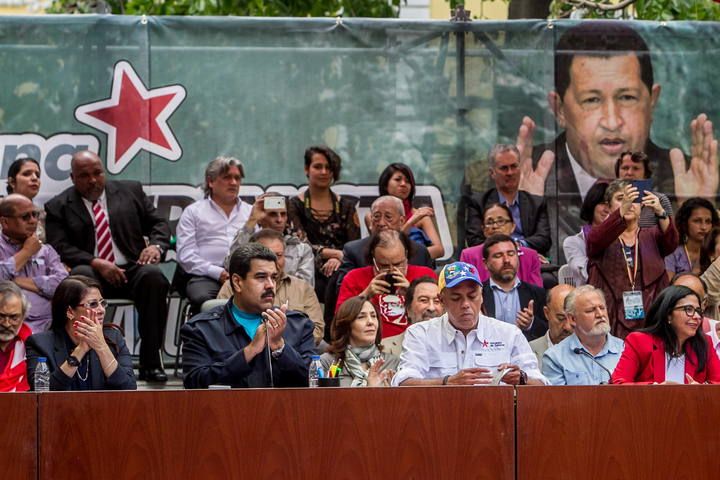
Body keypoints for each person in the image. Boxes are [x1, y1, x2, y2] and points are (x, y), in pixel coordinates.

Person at [519, 22, 717, 252]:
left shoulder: (689, 180)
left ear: (652, 101)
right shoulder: (528, 176)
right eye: (592, 100)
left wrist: (698, 209)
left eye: (627, 97)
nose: (612, 121)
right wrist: (525, 205)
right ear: (560, 108)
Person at [44, 150, 171, 382]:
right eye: (84, 175)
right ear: (73, 178)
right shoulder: (58, 206)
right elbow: (59, 246)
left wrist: (155, 246)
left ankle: (151, 362)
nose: (93, 180)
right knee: (79, 279)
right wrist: (95, 262)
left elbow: (159, 223)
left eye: (97, 173)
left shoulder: (130, 190)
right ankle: (84, 359)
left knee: (154, 277)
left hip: (131, 268)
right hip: (90, 271)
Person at [181, 243, 315, 389]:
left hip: (285, 410)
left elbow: (311, 382)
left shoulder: (299, 325)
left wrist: (279, 347)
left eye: (274, 277)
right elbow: (194, 384)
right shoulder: (201, 329)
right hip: (227, 410)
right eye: (261, 277)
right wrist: (248, 352)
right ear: (237, 282)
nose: (270, 285)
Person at [392, 262, 547, 386]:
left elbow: (541, 383)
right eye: (456, 298)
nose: (466, 304)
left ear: (482, 297)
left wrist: (522, 379)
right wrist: (446, 382)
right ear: (442, 300)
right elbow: (403, 382)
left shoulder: (508, 334)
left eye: (472, 296)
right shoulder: (420, 334)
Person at [587, 180, 678, 338]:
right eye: (621, 198)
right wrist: (620, 213)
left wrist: (661, 212)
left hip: (650, 315)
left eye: (633, 199)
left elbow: (671, 243)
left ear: (642, 206)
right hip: (610, 314)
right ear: (609, 206)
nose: (628, 203)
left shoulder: (652, 234)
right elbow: (593, 242)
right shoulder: (603, 235)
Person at [25, 276, 136, 391]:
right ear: (70, 311)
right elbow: (42, 393)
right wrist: (80, 350)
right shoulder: (40, 344)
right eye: (93, 304)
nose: (101, 310)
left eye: (102, 303)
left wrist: (102, 347)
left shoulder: (113, 338)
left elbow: (128, 388)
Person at [217, 229, 324, 347]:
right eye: (266, 255)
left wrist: (279, 343)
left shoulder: (302, 287)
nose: (274, 262)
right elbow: (219, 325)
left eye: (279, 255)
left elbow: (317, 330)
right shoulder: (232, 285)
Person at [335, 230, 436, 349]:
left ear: (406, 255)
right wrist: (364, 296)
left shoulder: (424, 275)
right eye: (384, 266)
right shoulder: (354, 278)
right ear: (373, 258)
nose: (392, 270)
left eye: (398, 264)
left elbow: (438, 316)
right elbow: (339, 321)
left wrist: (412, 294)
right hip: (371, 347)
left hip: (416, 343)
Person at [176, 156, 253, 309]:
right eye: (227, 177)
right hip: (206, 277)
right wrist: (218, 273)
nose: (234, 183)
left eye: (237, 178)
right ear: (211, 181)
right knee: (203, 298)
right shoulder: (193, 212)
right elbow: (185, 255)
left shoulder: (251, 212)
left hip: (245, 276)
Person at [288, 145, 360, 301]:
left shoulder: (347, 207)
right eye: (318, 167)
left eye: (328, 168)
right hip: (305, 267)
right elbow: (299, 244)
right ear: (307, 169)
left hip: (341, 268)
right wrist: (335, 254)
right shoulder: (294, 205)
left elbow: (354, 246)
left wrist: (339, 258)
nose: (324, 172)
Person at [611, 285, 720, 384]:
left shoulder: (705, 344)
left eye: (698, 311)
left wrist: (701, 391)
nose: (697, 316)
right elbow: (618, 384)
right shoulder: (639, 341)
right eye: (688, 309)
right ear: (668, 315)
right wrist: (655, 390)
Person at [465, 144, 551, 256]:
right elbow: (474, 241)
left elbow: (544, 239)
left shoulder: (536, 203)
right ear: (492, 173)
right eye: (504, 168)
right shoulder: (478, 203)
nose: (510, 173)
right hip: (493, 262)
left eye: (514, 166)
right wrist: (506, 249)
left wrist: (518, 247)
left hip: (529, 260)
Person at [0, 194, 67, 332]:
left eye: (35, 215)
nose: (33, 221)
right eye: (25, 217)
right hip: (8, 327)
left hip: (49, 325)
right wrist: (26, 252)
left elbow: (63, 285)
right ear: (5, 222)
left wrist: (17, 281)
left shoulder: (45, 250)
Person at [226, 192, 314, 286]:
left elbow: (305, 288)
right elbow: (231, 266)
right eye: (273, 214)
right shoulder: (248, 246)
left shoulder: (301, 249)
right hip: (253, 299)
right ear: (260, 217)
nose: (279, 220)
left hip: (290, 299)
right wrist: (252, 220)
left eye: (283, 214)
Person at [543, 285, 624, 385]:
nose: (600, 314)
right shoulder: (555, 357)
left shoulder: (625, 350)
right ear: (572, 319)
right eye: (591, 310)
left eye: (602, 308)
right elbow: (558, 400)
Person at [480, 234, 547, 341]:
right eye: (498, 256)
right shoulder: (478, 294)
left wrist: (531, 324)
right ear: (485, 263)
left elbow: (550, 331)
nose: (506, 260)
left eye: (511, 254)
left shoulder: (537, 293)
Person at [320, 296, 399, 387]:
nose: (370, 322)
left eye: (373, 316)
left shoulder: (392, 362)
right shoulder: (328, 363)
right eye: (361, 317)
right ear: (346, 325)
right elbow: (321, 400)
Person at [461, 203, 542, 287]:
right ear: (483, 229)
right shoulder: (469, 256)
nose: (495, 226)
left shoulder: (530, 256)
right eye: (489, 222)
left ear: (513, 226)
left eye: (501, 221)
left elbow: (536, 294)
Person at [376, 163, 444, 259]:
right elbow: (387, 248)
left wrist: (407, 258)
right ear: (385, 185)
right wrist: (411, 222)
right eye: (398, 179)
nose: (404, 184)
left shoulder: (421, 216)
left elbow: (439, 250)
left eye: (408, 181)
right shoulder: (374, 216)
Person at [381, 276, 443, 356]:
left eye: (437, 301)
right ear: (408, 309)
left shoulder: (458, 345)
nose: (431, 308)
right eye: (423, 300)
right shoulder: (384, 347)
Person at [562, 181, 610, 286]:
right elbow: (585, 274)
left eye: (610, 204)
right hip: (588, 298)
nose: (607, 210)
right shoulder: (573, 242)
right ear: (592, 205)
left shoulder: (625, 237)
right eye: (602, 203)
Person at [614, 151, 674, 228]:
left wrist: (660, 212)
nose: (629, 172)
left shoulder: (660, 200)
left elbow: (672, 237)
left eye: (636, 168)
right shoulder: (608, 198)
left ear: (646, 173)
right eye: (625, 168)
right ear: (617, 172)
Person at [665, 197, 719, 277]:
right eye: (697, 221)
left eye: (708, 222)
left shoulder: (716, 251)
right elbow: (668, 288)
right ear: (684, 223)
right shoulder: (673, 253)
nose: (704, 227)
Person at [529, 284, 574, 369]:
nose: (567, 327)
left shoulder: (591, 352)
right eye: (561, 318)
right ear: (546, 313)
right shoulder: (529, 351)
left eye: (573, 318)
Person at [0, 282, 32, 392]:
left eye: (14, 318)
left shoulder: (32, 346)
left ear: (23, 317)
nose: (6, 324)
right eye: (1, 316)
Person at [5, 157, 45, 240]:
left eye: (37, 175)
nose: (34, 178)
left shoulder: (42, 215)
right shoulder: (2, 211)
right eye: (26, 174)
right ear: (12, 182)